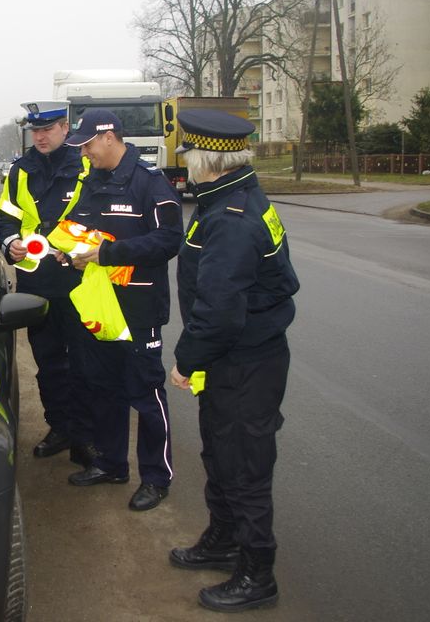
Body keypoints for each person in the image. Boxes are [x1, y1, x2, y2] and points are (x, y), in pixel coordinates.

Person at [166, 109, 299, 613]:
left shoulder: (231, 218)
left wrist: (186, 360)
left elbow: (220, 310)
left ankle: (257, 573)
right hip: (235, 360)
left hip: (244, 361)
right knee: (220, 453)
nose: (187, 167)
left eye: (189, 159)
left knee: (244, 465)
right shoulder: (229, 198)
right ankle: (222, 540)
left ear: (206, 161)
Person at [62, 109, 183, 511]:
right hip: (100, 308)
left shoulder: (150, 182)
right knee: (104, 390)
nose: (84, 153)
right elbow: (77, 229)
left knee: (145, 394)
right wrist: (68, 254)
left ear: (109, 137)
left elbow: (169, 240)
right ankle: (112, 464)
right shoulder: (90, 181)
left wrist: (108, 253)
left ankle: (156, 477)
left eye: (88, 144)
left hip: (138, 307)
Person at [0, 100, 98, 467]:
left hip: (80, 281)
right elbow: (6, 217)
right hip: (36, 283)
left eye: (47, 129)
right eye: (35, 131)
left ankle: (86, 437)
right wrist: (11, 244)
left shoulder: (87, 166)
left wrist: (76, 248)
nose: (39, 136)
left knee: (85, 364)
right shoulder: (20, 170)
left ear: (65, 129)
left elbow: (102, 223)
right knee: (49, 362)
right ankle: (60, 428)